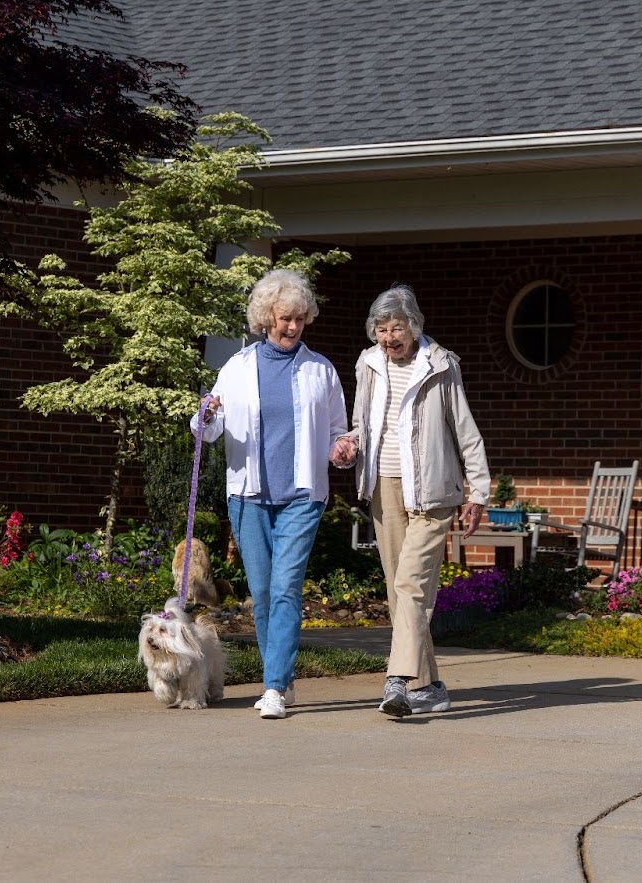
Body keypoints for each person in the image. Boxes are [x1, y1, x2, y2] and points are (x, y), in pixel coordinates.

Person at [193, 269, 348, 720]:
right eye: (285, 318)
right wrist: (205, 415)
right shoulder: (238, 368)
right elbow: (211, 428)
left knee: (284, 589)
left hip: (302, 496)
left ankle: (275, 686)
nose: (293, 327)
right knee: (261, 592)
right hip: (248, 495)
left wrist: (341, 447)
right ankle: (281, 677)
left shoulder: (321, 370)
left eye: (300, 318)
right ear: (266, 318)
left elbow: (339, 431)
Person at [338, 285, 490, 718]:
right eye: (381, 329)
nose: (389, 338)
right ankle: (430, 687)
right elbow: (361, 423)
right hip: (383, 486)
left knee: (411, 584)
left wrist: (477, 491)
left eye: (396, 328)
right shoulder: (368, 363)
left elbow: (465, 429)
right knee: (400, 591)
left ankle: (397, 680)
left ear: (414, 327)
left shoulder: (440, 364)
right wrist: (349, 446)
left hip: (432, 489)